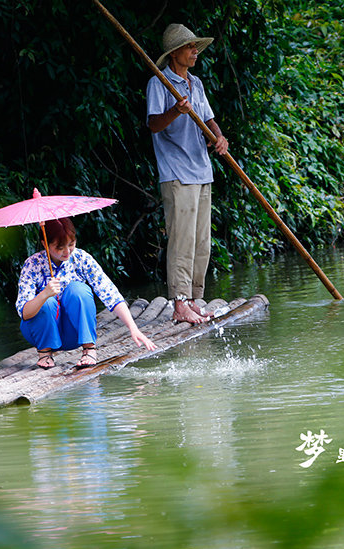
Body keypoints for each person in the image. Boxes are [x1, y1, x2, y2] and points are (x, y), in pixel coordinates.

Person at [146, 23, 229, 324]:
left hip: (202, 170)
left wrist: (218, 137)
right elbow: (154, 124)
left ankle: (194, 299)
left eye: (195, 47)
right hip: (177, 172)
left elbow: (208, 118)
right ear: (175, 53)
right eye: (190, 47)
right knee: (181, 239)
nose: (196, 51)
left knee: (201, 241)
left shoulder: (195, 83)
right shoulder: (159, 83)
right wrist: (175, 112)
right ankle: (179, 302)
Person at [16, 217, 157, 369]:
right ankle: (45, 353)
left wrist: (133, 328)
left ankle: (89, 349)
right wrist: (44, 294)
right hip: (40, 333)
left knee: (78, 290)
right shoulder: (32, 264)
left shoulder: (81, 258)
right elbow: (25, 313)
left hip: (73, 333)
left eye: (71, 244)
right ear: (45, 244)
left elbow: (109, 292)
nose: (67, 251)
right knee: (46, 301)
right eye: (60, 247)